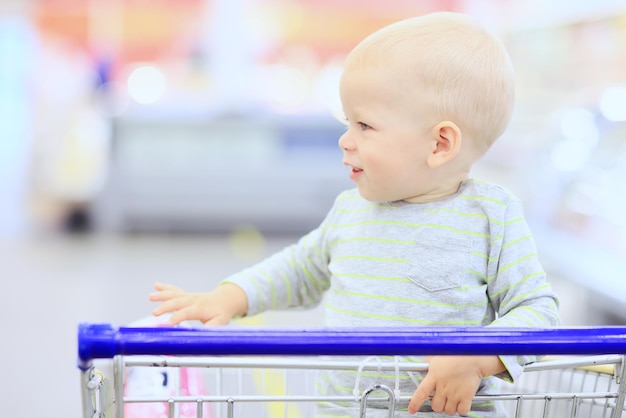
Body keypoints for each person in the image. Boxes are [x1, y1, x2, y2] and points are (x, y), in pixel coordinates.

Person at [150, 11, 561, 417]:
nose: (346, 140)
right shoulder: (351, 210)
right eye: (347, 122)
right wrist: (230, 296)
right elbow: (299, 269)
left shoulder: (490, 216)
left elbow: (538, 311)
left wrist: (477, 357)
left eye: (365, 125)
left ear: (439, 144)